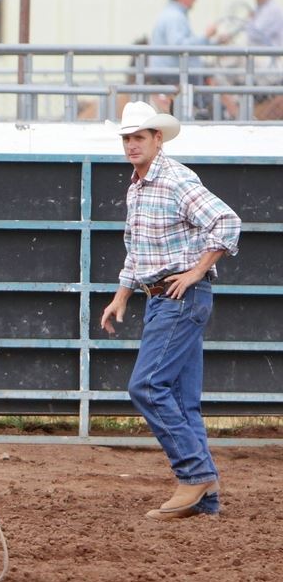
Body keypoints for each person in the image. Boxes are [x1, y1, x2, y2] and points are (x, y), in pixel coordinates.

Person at [100, 101, 240, 521]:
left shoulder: (176, 180)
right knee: (181, 398)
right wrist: (121, 296)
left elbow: (227, 222)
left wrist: (196, 272)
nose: (131, 145)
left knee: (146, 387)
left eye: (138, 137)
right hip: (163, 296)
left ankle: (193, 474)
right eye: (126, 138)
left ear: (157, 139)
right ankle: (206, 498)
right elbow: (137, 249)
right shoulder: (138, 186)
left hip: (179, 297)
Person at [149, 0, 226, 116]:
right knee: (214, 103)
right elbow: (179, 45)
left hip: (171, 73)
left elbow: (182, 44)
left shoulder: (171, 15)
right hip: (175, 74)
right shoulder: (175, 17)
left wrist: (211, 41)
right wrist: (206, 37)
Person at [243, 0, 283, 86]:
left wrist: (249, 21)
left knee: (235, 62)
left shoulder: (271, 10)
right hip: (264, 59)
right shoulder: (261, 9)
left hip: (270, 61)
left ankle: (233, 99)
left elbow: (255, 34)